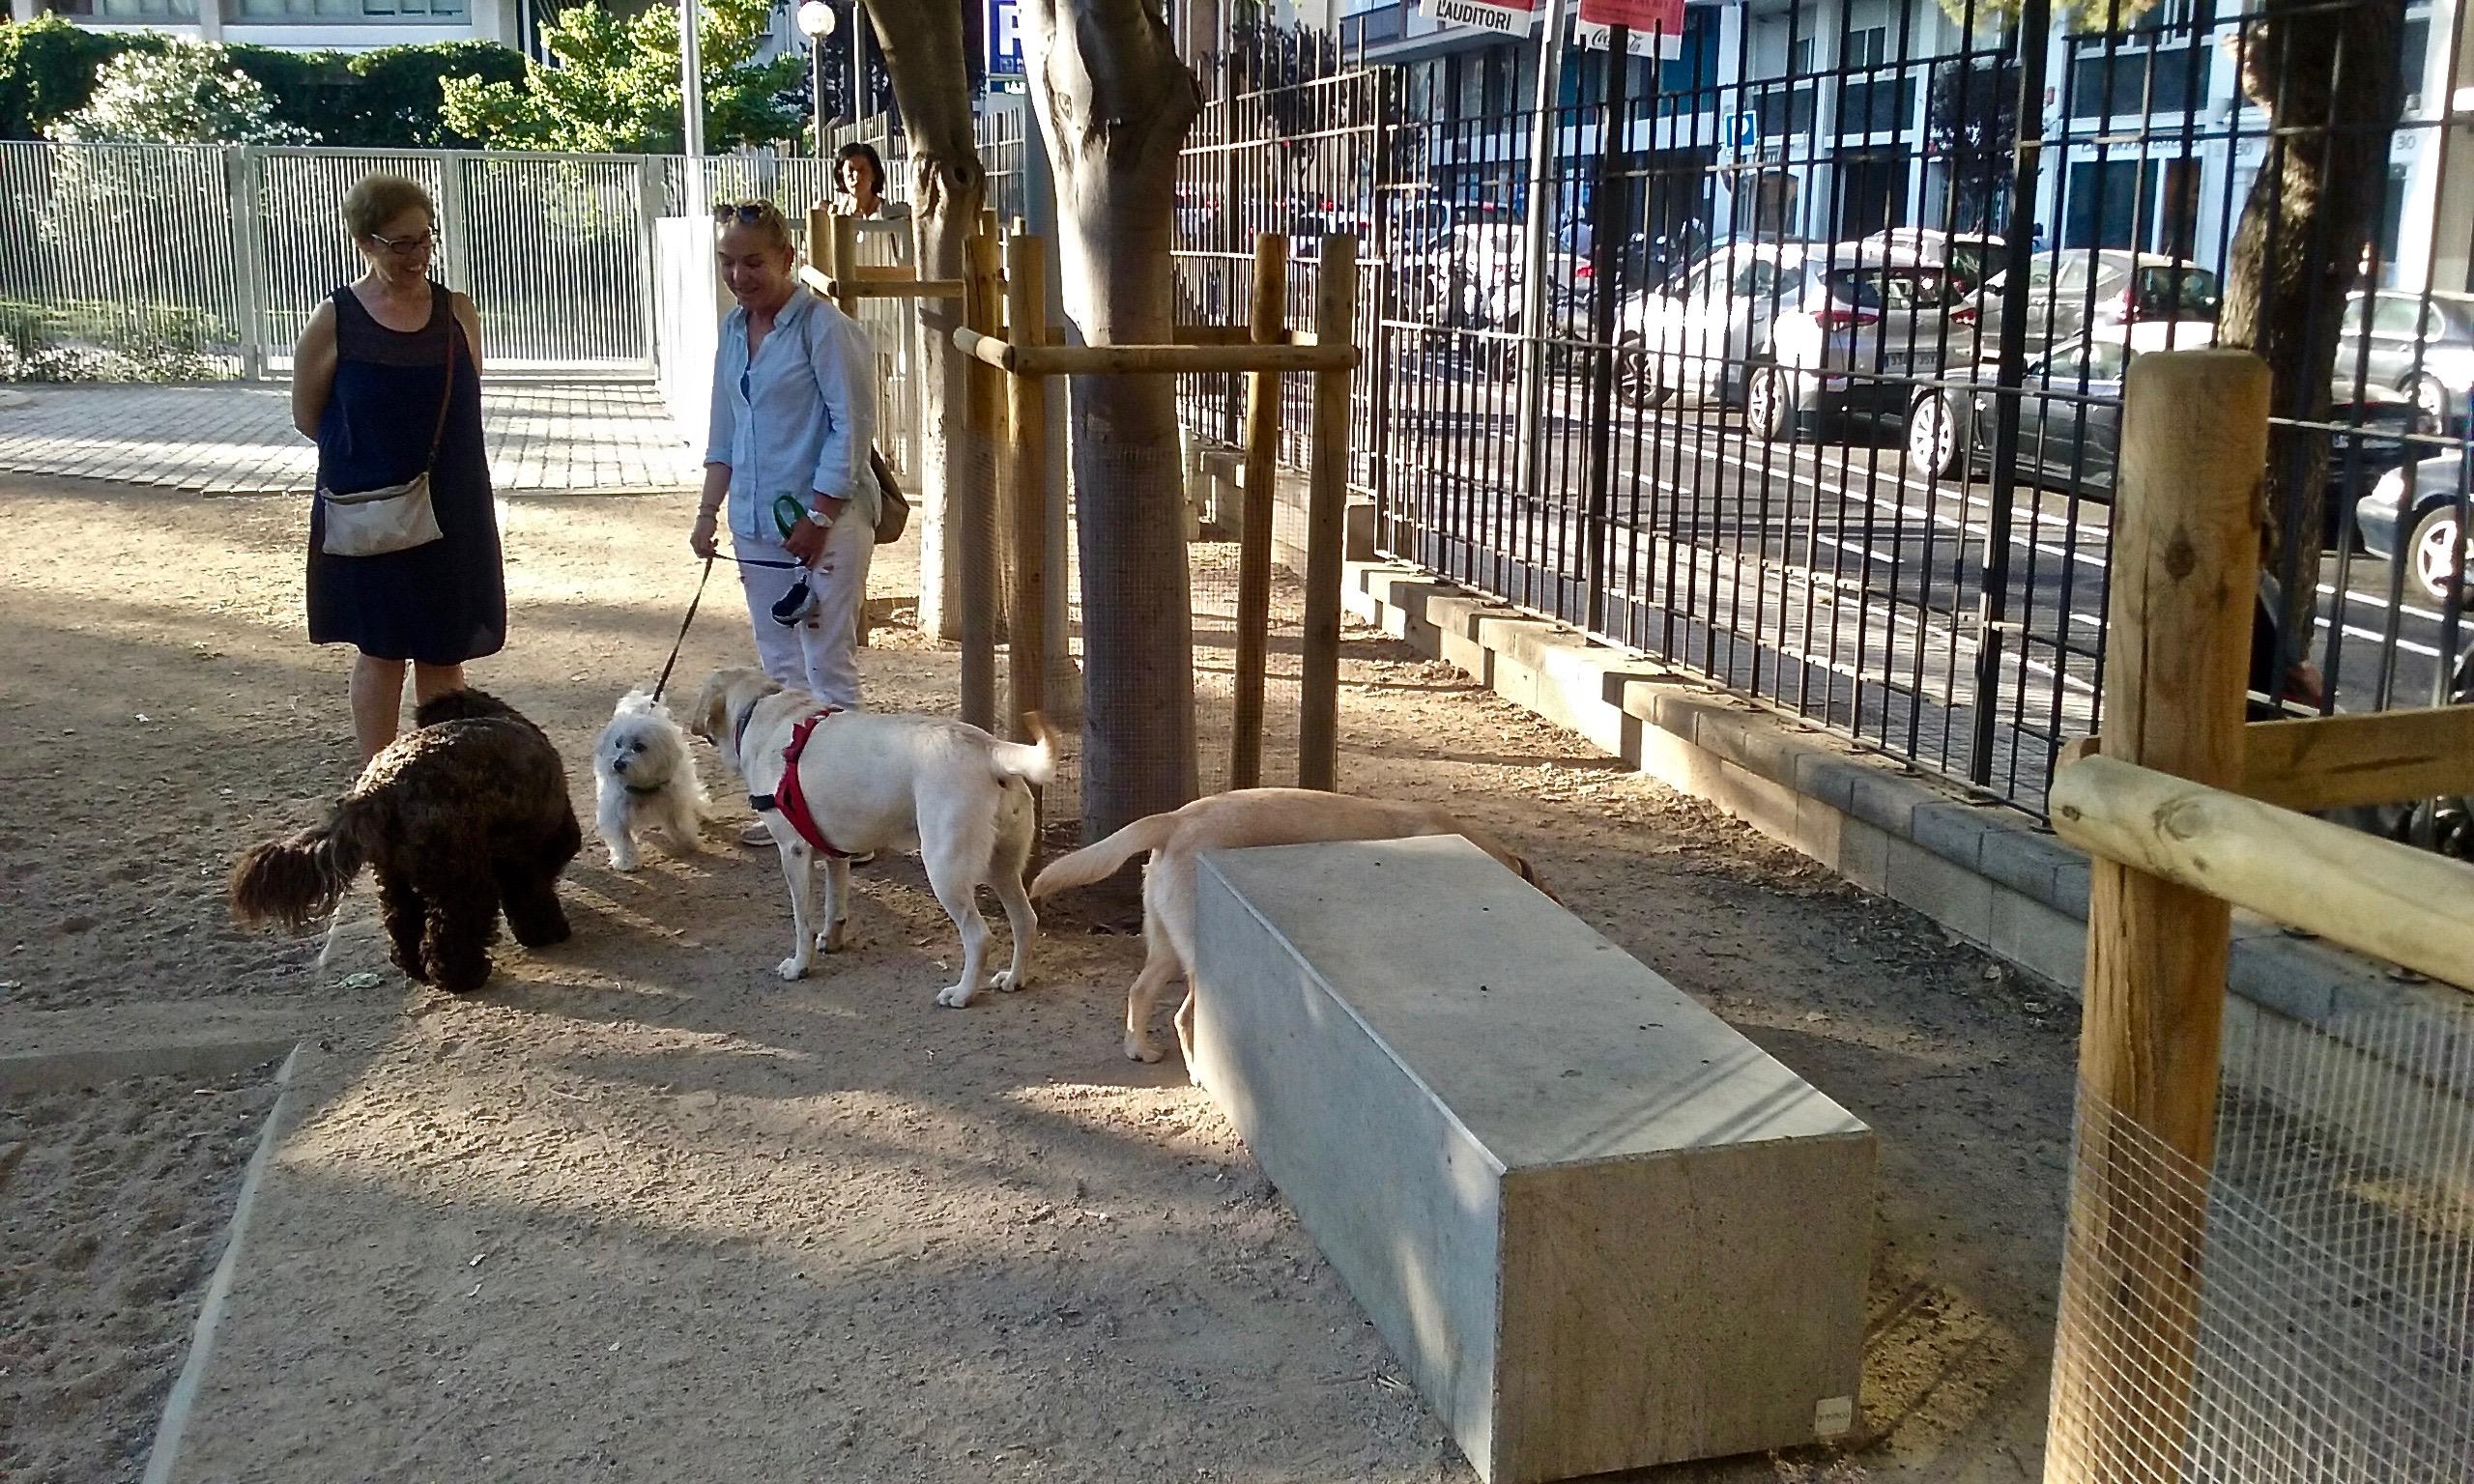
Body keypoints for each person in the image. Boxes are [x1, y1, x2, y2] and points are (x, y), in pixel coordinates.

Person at [291, 174, 503, 764]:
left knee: (443, 652)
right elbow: (309, 417)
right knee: (381, 652)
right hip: (373, 512)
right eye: (399, 243)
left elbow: (467, 394)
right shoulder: (336, 319)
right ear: (364, 240)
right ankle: (380, 787)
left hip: (450, 507)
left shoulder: (457, 311)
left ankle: (437, 779)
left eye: (424, 239)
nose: (417, 255)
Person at [690, 199, 879, 844]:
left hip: (824, 523)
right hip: (755, 525)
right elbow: (725, 427)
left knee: (826, 666)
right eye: (727, 262)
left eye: (752, 262)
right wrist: (708, 511)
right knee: (780, 669)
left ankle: (848, 815)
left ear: (786, 259)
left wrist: (823, 510)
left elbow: (852, 426)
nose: (739, 276)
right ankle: (793, 807)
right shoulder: (730, 331)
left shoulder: (823, 328)